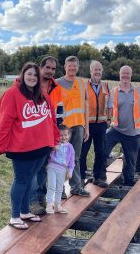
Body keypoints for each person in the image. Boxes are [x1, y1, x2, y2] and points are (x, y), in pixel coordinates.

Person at [0, 63, 60, 230]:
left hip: (43, 146)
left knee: (30, 179)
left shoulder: (42, 95)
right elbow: (4, 122)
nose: (32, 78)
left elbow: (51, 120)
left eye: (35, 75)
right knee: (21, 180)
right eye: (29, 74)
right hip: (22, 148)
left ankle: (24, 211)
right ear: (22, 75)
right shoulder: (12, 94)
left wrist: (55, 139)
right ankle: (14, 216)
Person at [29, 56, 62, 215]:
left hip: (48, 135)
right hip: (32, 133)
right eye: (47, 67)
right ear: (40, 67)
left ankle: (41, 197)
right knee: (33, 168)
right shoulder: (30, 84)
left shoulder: (56, 88)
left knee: (43, 168)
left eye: (53, 68)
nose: (50, 71)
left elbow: (59, 114)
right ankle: (32, 201)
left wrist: (58, 136)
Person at [104, 65, 140, 186]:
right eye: (123, 73)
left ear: (131, 75)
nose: (125, 76)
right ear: (119, 75)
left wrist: (134, 121)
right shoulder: (114, 91)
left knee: (130, 161)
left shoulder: (138, 91)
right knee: (103, 151)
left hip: (133, 133)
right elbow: (109, 108)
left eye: (128, 73)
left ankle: (128, 181)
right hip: (115, 129)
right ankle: (99, 176)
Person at [56, 56, 91, 197]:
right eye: (70, 66)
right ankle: (60, 190)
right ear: (65, 66)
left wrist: (86, 127)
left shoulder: (82, 84)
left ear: (78, 67)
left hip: (79, 126)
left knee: (75, 158)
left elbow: (86, 107)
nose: (72, 68)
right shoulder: (57, 83)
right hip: (63, 128)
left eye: (75, 66)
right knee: (59, 157)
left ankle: (76, 187)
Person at [80, 60, 110, 188]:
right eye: (95, 69)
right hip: (87, 124)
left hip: (101, 124)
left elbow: (110, 105)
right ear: (90, 71)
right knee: (82, 152)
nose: (97, 72)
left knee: (101, 152)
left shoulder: (106, 86)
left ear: (102, 71)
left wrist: (109, 119)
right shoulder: (83, 85)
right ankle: (80, 178)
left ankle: (99, 177)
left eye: (99, 69)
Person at [45, 125, 75, 214]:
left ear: (69, 135)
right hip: (52, 167)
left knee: (59, 188)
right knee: (51, 186)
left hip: (62, 170)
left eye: (66, 135)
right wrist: (53, 149)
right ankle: (49, 205)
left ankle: (58, 205)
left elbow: (72, 161)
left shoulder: (70, 147)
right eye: (61, 135)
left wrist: (70, 171)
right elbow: (48, 154)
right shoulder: (55, 145)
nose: (63, 137)